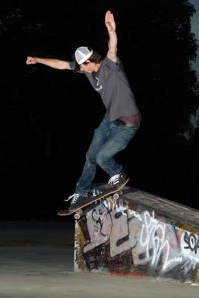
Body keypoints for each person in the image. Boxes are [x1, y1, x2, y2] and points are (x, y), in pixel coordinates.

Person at [26, 11, 140, 211]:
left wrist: (112, 31)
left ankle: (117, 174)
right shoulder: (86, 70)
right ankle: (81, 193)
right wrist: (37, 59)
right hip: (109, 119)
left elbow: (112, 49)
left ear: (88, 62)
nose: (79, 70)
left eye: (81, 66)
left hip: (128, 123)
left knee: (102, 157)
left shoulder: (109, 66)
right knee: (90, 155)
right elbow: (62, 65)